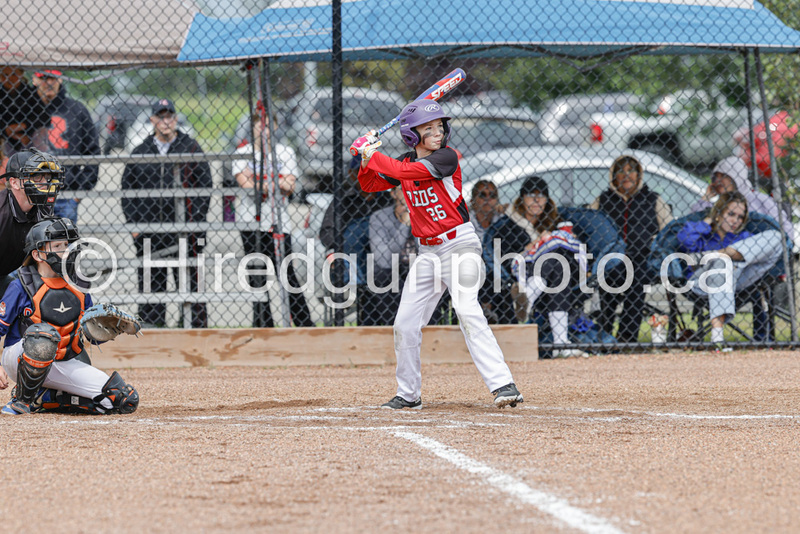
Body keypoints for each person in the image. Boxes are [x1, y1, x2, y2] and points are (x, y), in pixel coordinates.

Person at [350, 100, 523, 409]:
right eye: (428, 128)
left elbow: (404, 170)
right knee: (404, 324)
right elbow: (369, 183)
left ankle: (503, 384)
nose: (437, 132)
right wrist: (364, 160)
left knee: (467, 309)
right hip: (427, 252)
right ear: (411, 135)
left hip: (460, 246)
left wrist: (372, 153)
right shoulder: (404, 160)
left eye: (440, 127)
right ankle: (409, 394)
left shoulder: (447, 158)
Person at [0, 218, 139, 414]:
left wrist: (104, 330)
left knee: (120, 399)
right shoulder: (22, 284)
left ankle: (47, 397)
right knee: (44, 336)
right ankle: (22, 400)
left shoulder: (79, 284)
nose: (65, 251)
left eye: (66, 245)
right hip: (19, 359)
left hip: (63, 360)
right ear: (38, 254)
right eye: (57, 246)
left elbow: (87, 334)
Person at [121, 98, 210, 328]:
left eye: (169, 116)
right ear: (152, 120)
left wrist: (195, 224)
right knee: (151, 289)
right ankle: (152, 331)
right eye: (160, 116)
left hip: (185, 233)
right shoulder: (140, 152)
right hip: (151, 234)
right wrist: (135, 227)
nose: (166, 121)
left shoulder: (191, 148)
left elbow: (205, 188)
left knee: (191, 287)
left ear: (176, 118)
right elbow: (127, 192)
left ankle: (193, 330)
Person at [487, 176, 588, 356]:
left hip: (558, 277)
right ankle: (560, 343)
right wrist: (529, 248)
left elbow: (573, 245)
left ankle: (528, 296)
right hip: (526, 273)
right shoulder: (508, 226)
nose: (536, 200)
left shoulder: (558, 221)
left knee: (557, 255)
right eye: (530, 195)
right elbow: (505, 259)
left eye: (541, 195)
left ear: (548, 200)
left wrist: (549, 240)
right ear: (521, 199)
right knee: (557, 265)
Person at [232, 109, 312, 328]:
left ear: (275, 127)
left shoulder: (284, 152)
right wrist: (273, 184)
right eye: (259, 124)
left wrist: (261, 184)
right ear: (253, 127)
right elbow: (245, 185)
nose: (263, 129)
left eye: (268, 124)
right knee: (256, 275)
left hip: (278, 223)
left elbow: (289, 186)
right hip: (250, 221)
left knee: (287, 274)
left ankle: (304, 324)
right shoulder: (244, 152)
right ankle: (263, 324)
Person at [677, 191, 782, 346]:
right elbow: (684, 240)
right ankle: (717, 337)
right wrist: (709, 221)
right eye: (731, 214)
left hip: (737, 280)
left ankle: (715, 255)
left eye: (740, 217)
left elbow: (770, 246)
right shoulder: (703, 234)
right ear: (719, 213)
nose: (736, 221)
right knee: (723, 262)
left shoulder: (744, 237)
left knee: (776, 237)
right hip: (701, 283)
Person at [589, 154, 672, 344]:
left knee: (637, 280)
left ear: (639, 175)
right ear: (613, 176)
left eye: (631, 171)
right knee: (608, 280)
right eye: (621, 171)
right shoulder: (603, 200)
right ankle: (605, 333)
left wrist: (655, 242)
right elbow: (591, 228)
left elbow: (667, 231)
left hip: (643, 258)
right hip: (612, 258)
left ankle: (627, 337)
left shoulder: (653, 199)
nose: (626, 175)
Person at [32, 69, 100, 223]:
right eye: (43, 78)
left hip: (66, 194)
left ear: (60, 79)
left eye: (53, 78)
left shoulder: (77, 110)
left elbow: (93, 152)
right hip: (31, 193)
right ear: (34, 80)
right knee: (30, 243)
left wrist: (79, 193)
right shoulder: (24, 109)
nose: (48, 82)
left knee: (63, 243)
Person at [691, 155, 793, 241]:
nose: (718, 180)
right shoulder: (719, 206)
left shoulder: (759, 200)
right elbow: (694, 221)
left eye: (723, 176)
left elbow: (787, 229)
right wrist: (706, 198)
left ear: (736, 177)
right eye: (715, 176)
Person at [0, 149, 63, 285]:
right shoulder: (2, 211)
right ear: (14, 183)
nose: (45, 182)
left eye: (47, 177)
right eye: (36, 176)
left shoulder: (43, 209)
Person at [361, 186, 417, 325]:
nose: (409, 191)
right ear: (393, 193)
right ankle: (394, 331)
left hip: (418, 269)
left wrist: (416, 219)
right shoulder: (379, 217)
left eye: (413, 186)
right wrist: (404, 224)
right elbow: (384, 260)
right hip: (391, 271)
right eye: (403, 187)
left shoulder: (426, 215)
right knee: (385, 278)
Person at [470, 180, 517, 324]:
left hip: (498, 266)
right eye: (482, 195)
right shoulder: (465, 220)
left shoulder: (503, 220)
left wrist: (510, 210)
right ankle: (485, 308)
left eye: (492, 196)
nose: (487, 200)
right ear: (473, 201)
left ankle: (489, 311)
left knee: (497, 273)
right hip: (472, 265)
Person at [0, 66, 50, 155]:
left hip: (28, 134)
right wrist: (6, 129)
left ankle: (39, 159)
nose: (9, 78)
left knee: (41, 131)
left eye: (14, 74)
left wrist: (24, 125)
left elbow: (45, 117)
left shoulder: (29, 93)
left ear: (21, 75)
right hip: (5, 135)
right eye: (5, 75)